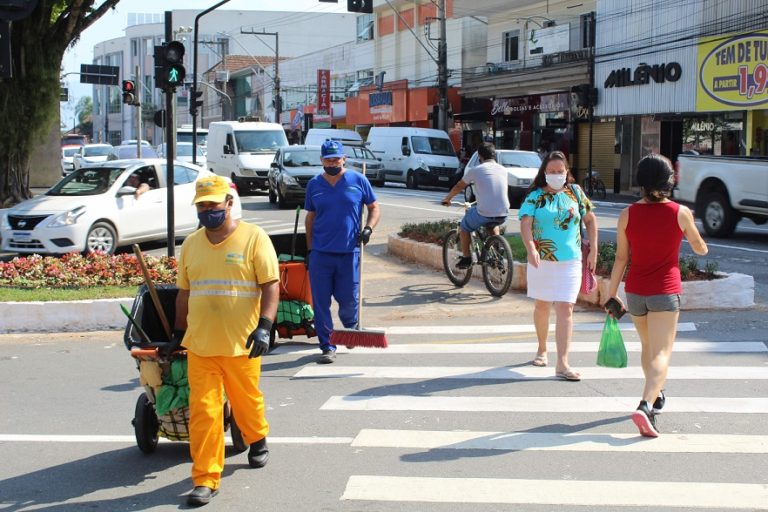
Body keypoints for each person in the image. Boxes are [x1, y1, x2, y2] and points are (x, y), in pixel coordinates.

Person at [174, 175, 280, 507]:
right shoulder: (191, 244)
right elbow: (184, 293)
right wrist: (178, 334)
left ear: (229, 204)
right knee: (204, 413)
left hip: (242, 344)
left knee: (246, 402)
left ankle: (257, 436)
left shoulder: (254, 238)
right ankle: (206, 478)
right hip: (201, 346)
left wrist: (264, 326)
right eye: (202, 206)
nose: (207, 211)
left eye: (213, 205)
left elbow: (271, 284)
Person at [604, 154, 708, 437]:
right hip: (665, 291)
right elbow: (701, 249)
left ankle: (656, 395)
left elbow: (621, 259)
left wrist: (611, 294)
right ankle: (645, 406)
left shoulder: (627, 214)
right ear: (669, 181)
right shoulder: (680, 212)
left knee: (649, 348)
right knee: (662, 352)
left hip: (636, 291)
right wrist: (695, 233)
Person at [518, 150, 598, 381]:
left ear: (567, 172)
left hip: (571, 261)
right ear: (544, 173)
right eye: (551, 171)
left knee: (566, 308)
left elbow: (590, 220)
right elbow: (525, 223)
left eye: (559, 171)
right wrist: (531, 247)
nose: (555, 175)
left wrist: (594, 249)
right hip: (541, 260)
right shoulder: (534, 196)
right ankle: (542, 348)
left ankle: (562, 363)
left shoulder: (575, 192)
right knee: (542, 306)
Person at [305, 139, 380, 364]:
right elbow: (310, 218)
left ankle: (350, 328)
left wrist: (368, 229)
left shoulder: (358, 180)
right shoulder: (314, 185)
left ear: (344, 158)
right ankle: (327, 345)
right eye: (328, 159)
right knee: (320, 303)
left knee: (348, 299)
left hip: (350, 253)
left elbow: (374, 207)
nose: (332, 163)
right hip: (321, 253)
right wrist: (309, 249)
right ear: (321, 160)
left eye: (336, 159)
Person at [441, 142, 509, 269]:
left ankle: (467, 258)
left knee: (464, 227)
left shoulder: (476, 170)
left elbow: (459, 186)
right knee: (492, 223)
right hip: (503, 212)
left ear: (479, 156)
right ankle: (497, 249)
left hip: (484, 212)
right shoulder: (503, 170)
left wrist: (448, 198)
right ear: (494, 155)